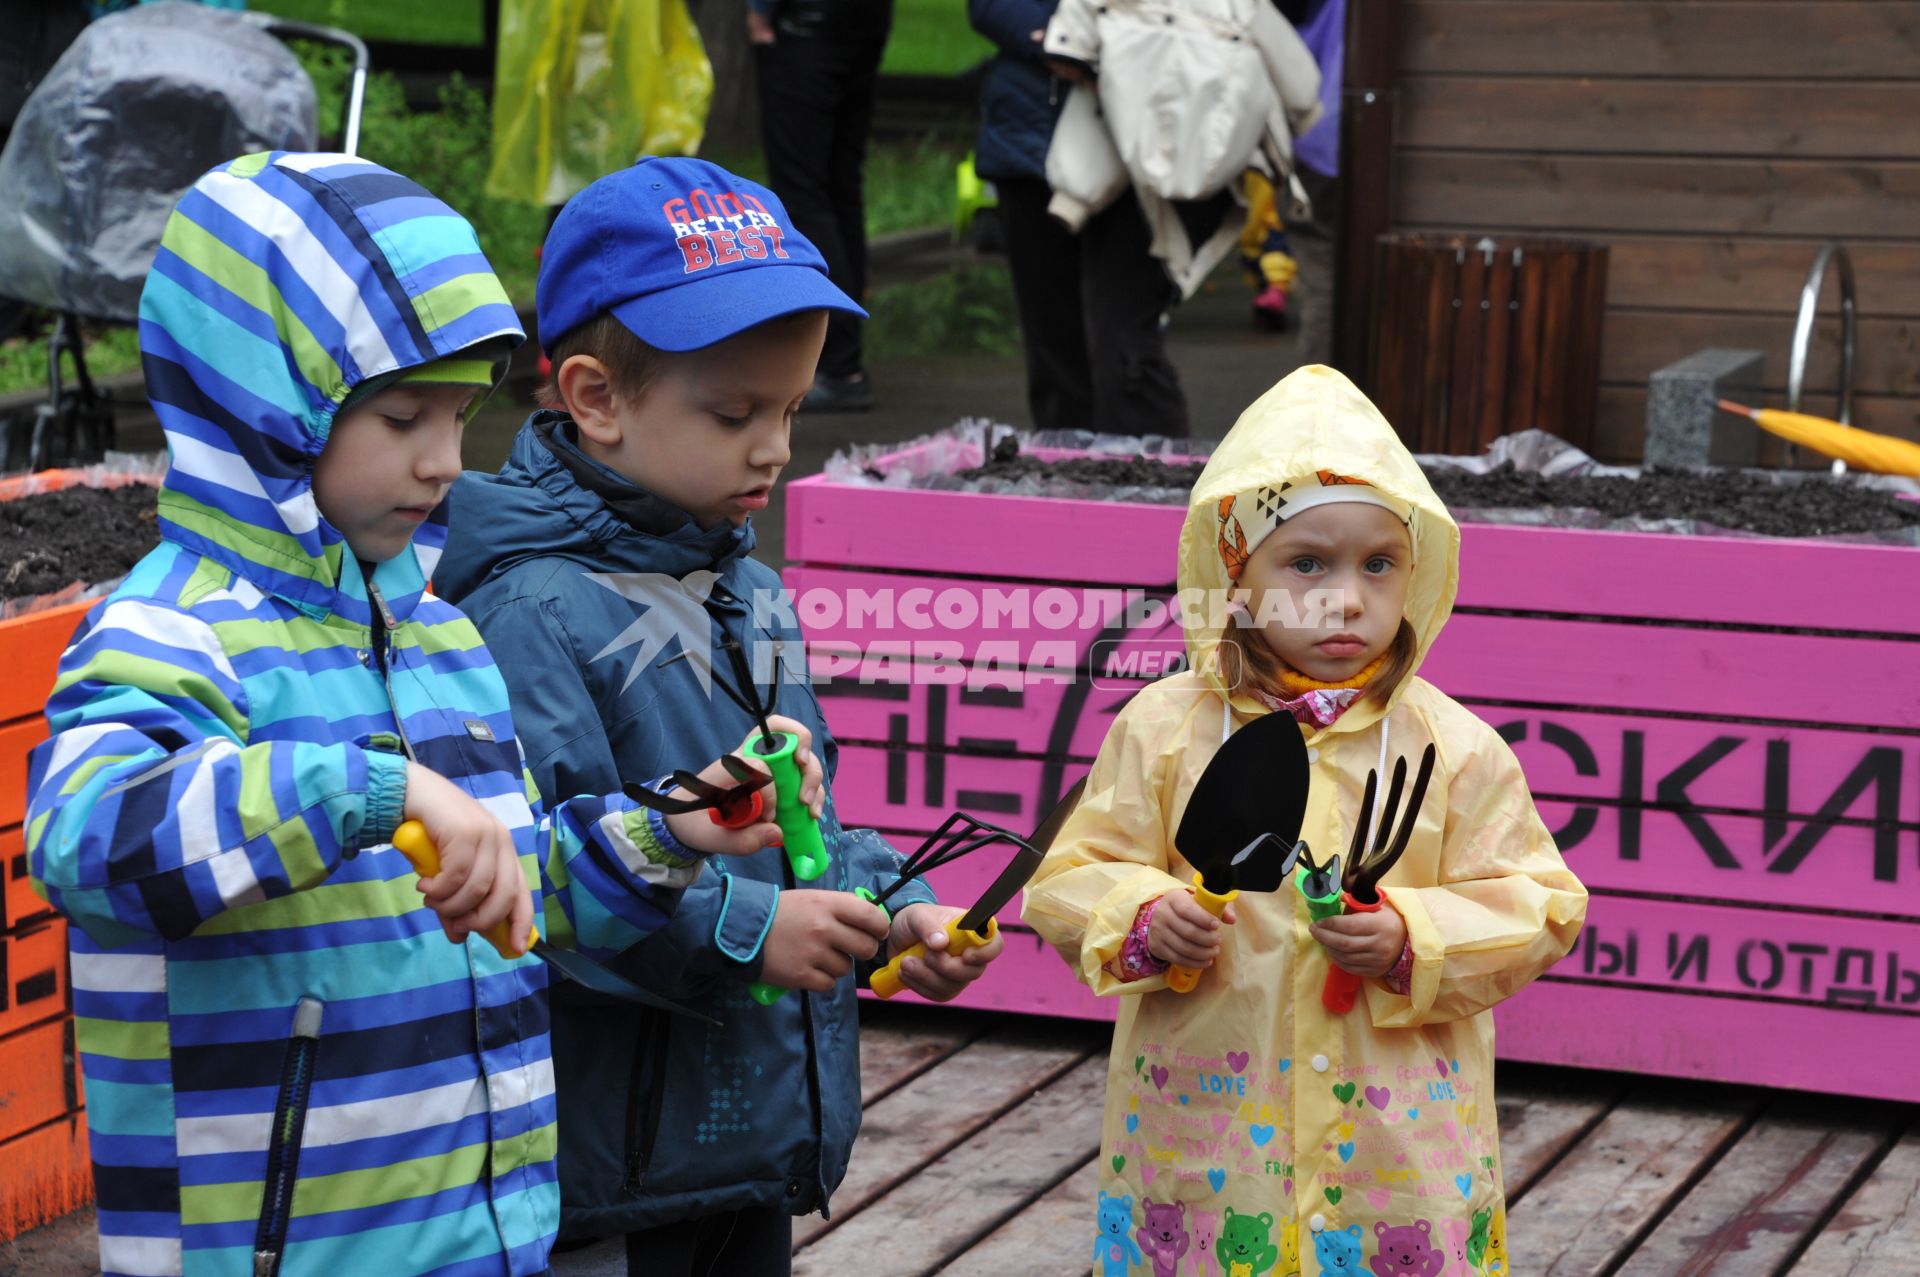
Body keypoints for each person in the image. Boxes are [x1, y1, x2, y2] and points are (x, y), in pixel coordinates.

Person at [23, 150, 819, 1277]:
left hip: (480, 1239)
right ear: (268, 410)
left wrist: (674, 827)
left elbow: (516, 892)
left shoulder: (439, 634)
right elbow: (87, 838)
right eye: (403, 417)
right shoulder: (174, 629)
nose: (447, 461)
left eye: (459, 414)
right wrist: (375, 787)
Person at [435, 156, 1005, 1277]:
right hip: (603, 1172)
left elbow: (801, 825)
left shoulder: (749, 586)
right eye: (736, 411)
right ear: (595, 397)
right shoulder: (521, 607)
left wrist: (897, 909)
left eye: (790, 407)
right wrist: (748, 935)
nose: (776, 446)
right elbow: (537, 888)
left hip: (750, 1138)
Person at [1022, 365, 1587, 1268]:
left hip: (1396, 1148)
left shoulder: (1455, 746)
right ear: (1237, 576)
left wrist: (1414, 933)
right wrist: (1141, 913)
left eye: (1378, 563)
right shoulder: (1169, 727)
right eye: (1307, 563)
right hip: (1208, 1135)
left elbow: (1541, 904)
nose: (1347, 597)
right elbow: (1070, 873)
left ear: (1418, 569)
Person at [968, 0, 1189, 436]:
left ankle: (1153, 492)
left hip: (1142, 149)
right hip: (1033, 145)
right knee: (1053, 348)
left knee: (1127, 351)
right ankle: (1069, 487)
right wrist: (1058, 39)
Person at [748, 0, 890, 411]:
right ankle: (845, 358)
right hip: (864, 23)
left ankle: (836, 362)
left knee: (803, 192)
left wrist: (761, 11)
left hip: (806, 24)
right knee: (841, 185)